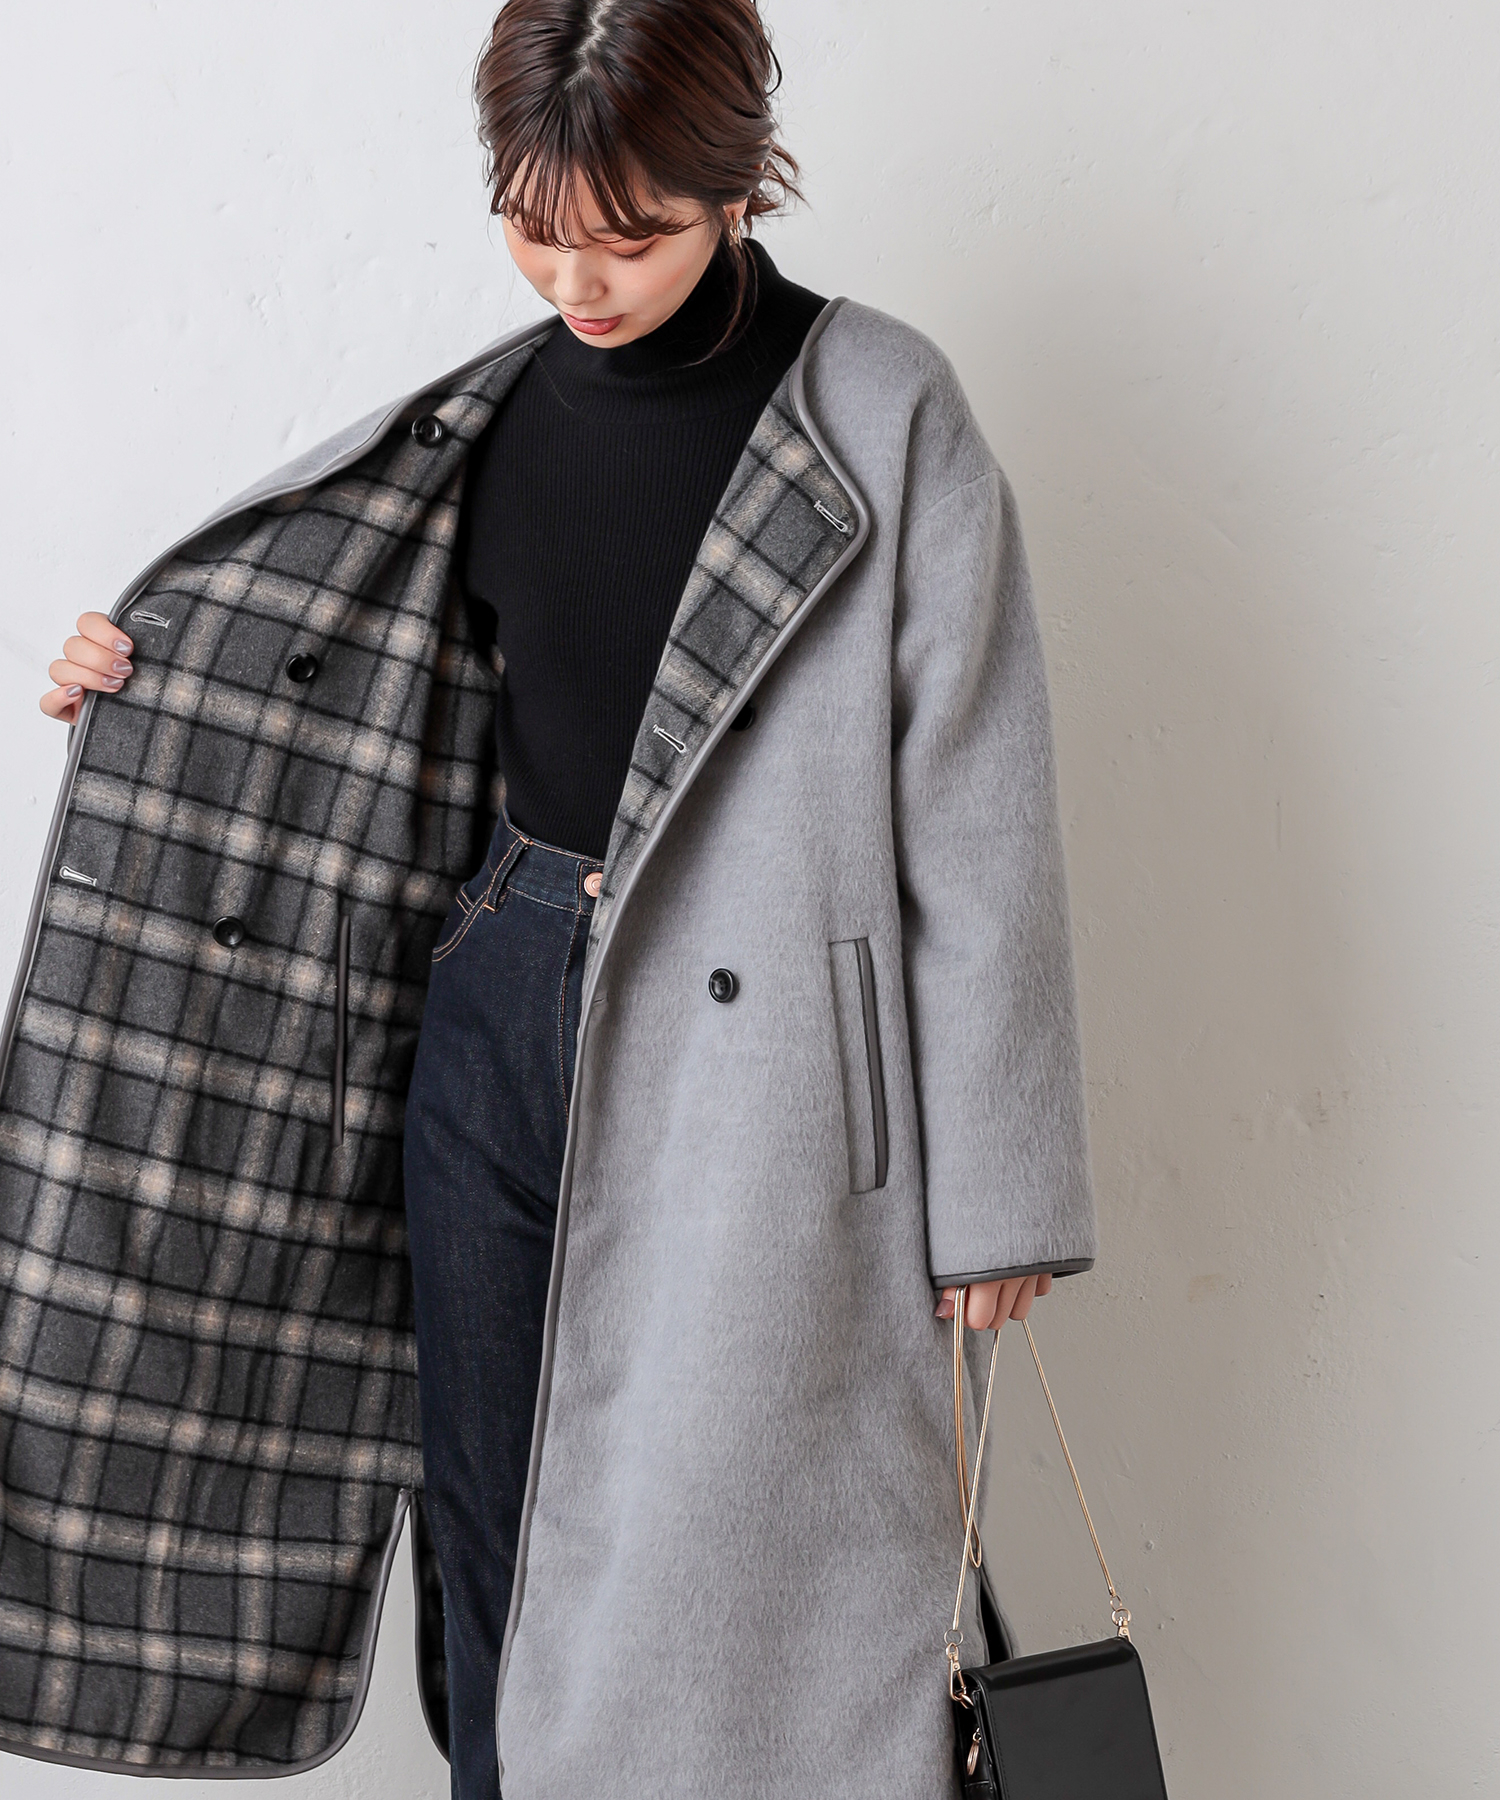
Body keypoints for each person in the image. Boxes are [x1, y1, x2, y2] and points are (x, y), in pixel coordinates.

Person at [12, 2, 1094, 1795]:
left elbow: (980, 809)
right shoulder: (486, 417)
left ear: (737, 189)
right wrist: (140, 679)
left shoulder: (882, 408)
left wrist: (1000, 1193)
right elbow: (343, 686)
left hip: (772, 1065)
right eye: (532, 227)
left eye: (628, 236)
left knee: (738, 1552)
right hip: (500, 994)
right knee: (491, 1522)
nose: (575, 280)